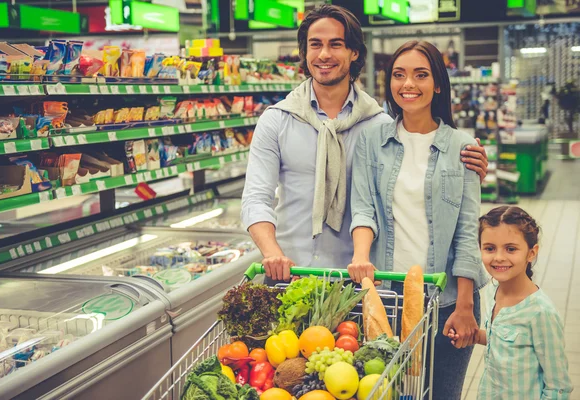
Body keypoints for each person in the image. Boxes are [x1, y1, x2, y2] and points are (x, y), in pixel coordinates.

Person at [240, 5, 488, 284]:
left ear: (354, 52)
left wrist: (463, 165)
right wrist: (273, 254)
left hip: (358, 280)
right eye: (315, 45)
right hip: (289, 273)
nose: (324, 54)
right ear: (304, 52)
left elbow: (415, 182)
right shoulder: (277, 120)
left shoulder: (379, 126)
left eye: (336, 44)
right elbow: (256, 198)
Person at [348, 40, 487, 398]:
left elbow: (467, 229)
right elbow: (363, 208)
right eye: (399, 75)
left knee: (441, 394)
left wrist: (466, 306)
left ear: (438, 84)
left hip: (448, 299)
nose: (408, 84)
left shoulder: (462, 146)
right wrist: (361, 257)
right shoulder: (371, 140)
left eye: (420, 75)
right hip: (389, 297)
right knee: (387, 393)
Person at [449, 206, 573, 399]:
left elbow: (558, 386)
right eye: (489, 248)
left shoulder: (541, 312)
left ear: (531, 253)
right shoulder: (492, 291)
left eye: (511, 249)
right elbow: (501, 340)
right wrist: (473, 337)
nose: (498, 257)